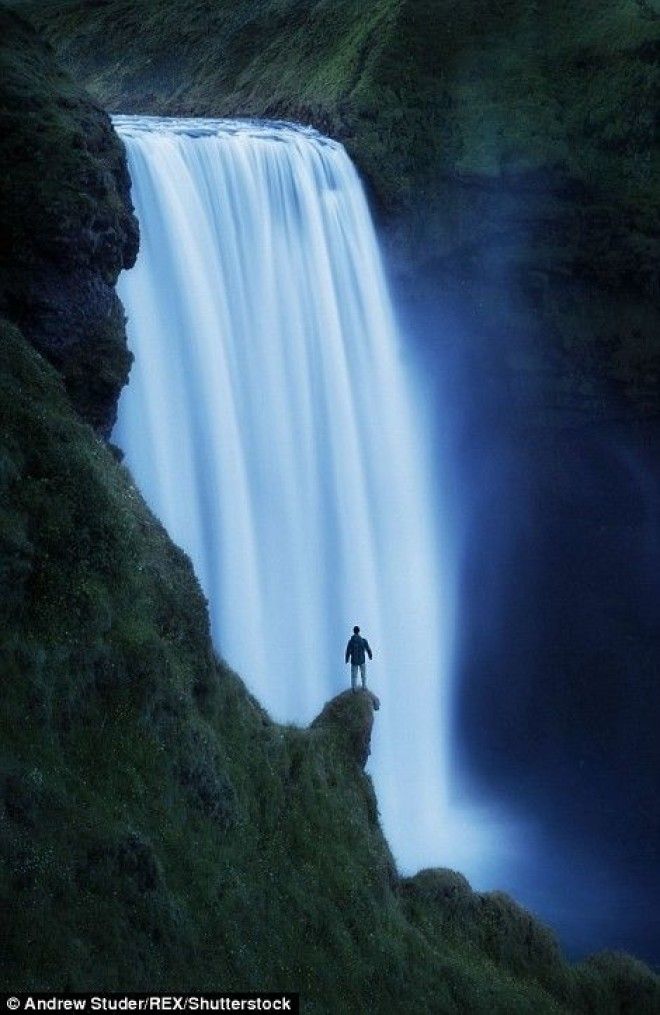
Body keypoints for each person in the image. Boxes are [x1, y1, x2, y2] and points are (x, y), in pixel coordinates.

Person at [345, 625, 373, 691]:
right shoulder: (363, 641)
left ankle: (354, 688)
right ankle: (364, 687)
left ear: (353, 631)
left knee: (354, 675)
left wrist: (347, 659)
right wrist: (370, 655)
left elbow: (348, 651)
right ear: (359, 631)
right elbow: (368, 649)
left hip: (354, 661)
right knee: (363, 674)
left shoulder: (351, 641)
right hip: (362, 660)